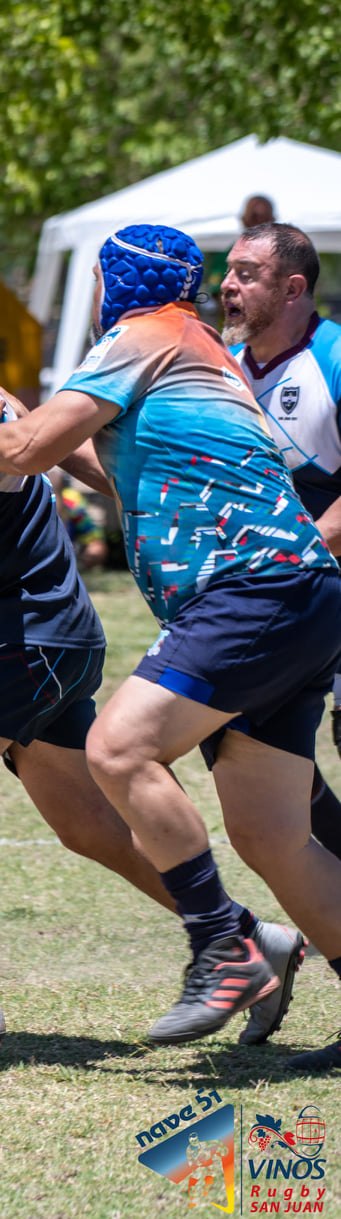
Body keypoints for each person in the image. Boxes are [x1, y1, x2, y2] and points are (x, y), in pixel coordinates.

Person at [0, 256, 299, 1052]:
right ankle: (249, 937)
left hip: (18, 638)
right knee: (90, 826)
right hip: (45, 634)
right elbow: (18, 498)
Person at [222, 221, 341, 861]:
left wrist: (298, 552)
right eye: (229, 271)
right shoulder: (223, 367)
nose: (227, 285)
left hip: (313, 585)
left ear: (293, 287)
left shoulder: (336, 360)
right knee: (248, 744)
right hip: (277, 600)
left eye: (246, 274)